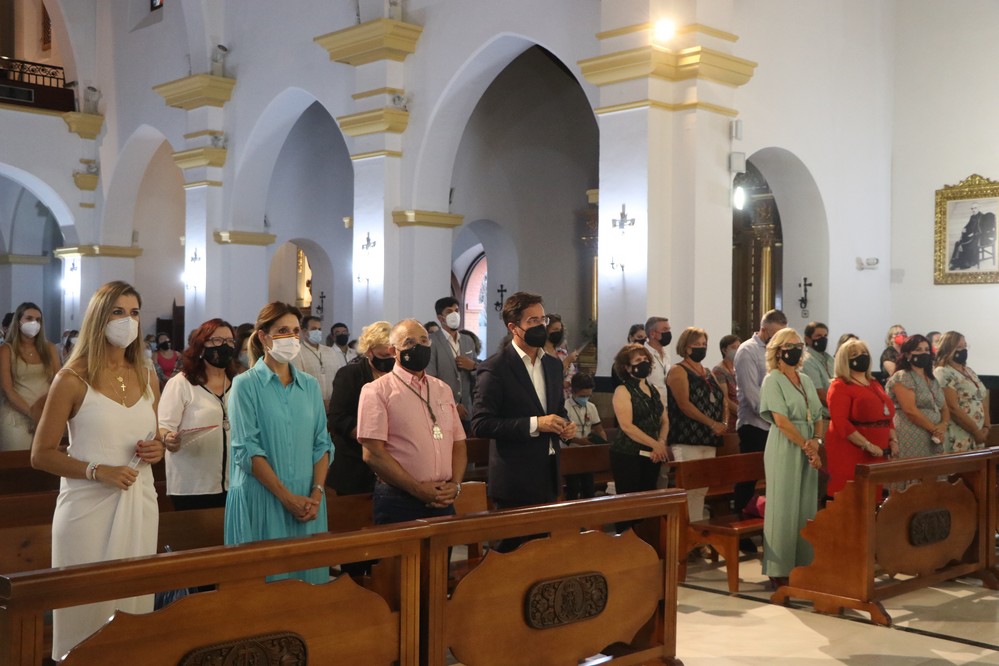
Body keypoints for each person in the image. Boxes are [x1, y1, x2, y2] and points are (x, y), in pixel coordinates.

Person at [29, 281, 163, 659]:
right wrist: (96, 470)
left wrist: (156, 450)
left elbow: (151, 439)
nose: (128, 320)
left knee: (133, 605)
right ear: (99, 318)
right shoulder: (72, 379)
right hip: (87, 509)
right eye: (118, 312)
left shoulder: (148, 377)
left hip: (139, 502)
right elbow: (41, 454)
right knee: (85, 613)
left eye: (134, 313)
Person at [224, 302, 333, 584]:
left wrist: (317, 493)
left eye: (296, 331)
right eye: (283, 330)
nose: (292, 337)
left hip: (308, 502)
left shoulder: (309, 385)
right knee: (263, 594)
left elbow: (322, 444)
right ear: (263, 336)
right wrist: (286, 498)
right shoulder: (245, 384)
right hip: (263, 499)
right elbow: (247, 450)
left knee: (309, 593)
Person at [471, 292, 575, 514]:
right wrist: (536, 424)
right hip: (514, 477)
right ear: (513, 327)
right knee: (513, 547)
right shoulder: (495, 368)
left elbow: (556, 410)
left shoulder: (553, 365)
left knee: (546, 545)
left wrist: (565, 426)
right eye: (532, 321)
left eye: (543, 319)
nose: (541, 326)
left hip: (548, 472)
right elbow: (481, 423)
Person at [357, 319, 466, 524]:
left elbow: (458, 443)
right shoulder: (377, 391)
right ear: (393, 350)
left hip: (443, 497)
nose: (419, 346)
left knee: (441, 557)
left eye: (424, 340)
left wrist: (455, 485)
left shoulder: (442, 389)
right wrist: (418, 489)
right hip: (399, 499)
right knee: (400, 557)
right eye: (409, 342)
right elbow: (372, 453)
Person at [758, 327, 823, 588]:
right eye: (790, 346)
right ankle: (779, 568)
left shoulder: (805, 379)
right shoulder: (772, 380)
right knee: (783, 507)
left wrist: (816, 442)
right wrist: (807, 447)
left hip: (808, 444)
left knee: (805, 505)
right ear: (778, 351)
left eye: (798, 345)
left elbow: (818, 415)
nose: (795, 350)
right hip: (785, 445)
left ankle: (803, 563)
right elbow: (781, 420)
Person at [158, 318, 237, 510]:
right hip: (193, 484)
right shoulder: (182, 383)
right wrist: (169, 438)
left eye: (229, 341)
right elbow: (164, 426)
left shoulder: (239, 383)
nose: (224, 346)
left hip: (234, 482)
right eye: (217, 341)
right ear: (202, 347)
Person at [733, 308, 787, 552]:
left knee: (774, 479)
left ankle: (770, 527)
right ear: (764, 329)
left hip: (776, 425)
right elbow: (752, 394)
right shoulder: (747, 351)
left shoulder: (778, 352)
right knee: (748, 478)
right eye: (775, 334)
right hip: (755, 426)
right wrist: (775, 417)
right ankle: (740, 528)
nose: (778, 340)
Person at [666, 327, 727, 523]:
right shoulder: (678, 370)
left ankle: (697, 528)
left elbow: (722, 399)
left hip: (709, 438)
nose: (702, 348)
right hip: (687, 437)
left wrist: (723, 423)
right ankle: (686, 533)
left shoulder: (708, 372)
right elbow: (684, 404)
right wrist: (711, 423)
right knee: (689, 488)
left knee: (702, 488)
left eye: (704, 345)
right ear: (686, 347)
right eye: (697, 345)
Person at [825, 339, 898, 499]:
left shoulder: (873, 382)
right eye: (855, 355)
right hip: (852, 449)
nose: (861, 357)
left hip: (878, 449)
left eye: (864, 353)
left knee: (874, 495)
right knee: (853, 496)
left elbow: (886, 414)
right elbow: (840, 422)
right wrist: (867, 445)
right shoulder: (840, 386)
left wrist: (893, 440)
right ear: (845, 359)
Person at [328, 321, 393, 496]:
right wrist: (370, 438)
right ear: (369, 351)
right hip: (355, 462)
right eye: (382, 356)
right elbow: (337, 417)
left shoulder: (398, 376)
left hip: (391, 459)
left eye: (391, 356)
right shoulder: (349, 374)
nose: (388, 362)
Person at [610, 344, 669, 528]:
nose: (643, 363)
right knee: (629, 507)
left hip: (652, 454)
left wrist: (661, 442)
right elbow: (627, 426)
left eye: (645, 360)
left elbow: (664, 420)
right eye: (637, 361)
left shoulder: (654, 390)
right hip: (628, 454)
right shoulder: (623, 391)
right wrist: (656, 445)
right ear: (627, 367)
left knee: (648, 504)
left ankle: (646, 545)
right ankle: (626, 546)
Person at [0, 302, 61, 451]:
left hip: (45, 416)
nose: (34, 323)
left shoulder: (49, 348)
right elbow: (7, 390)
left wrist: (45, 415)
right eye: (29, 318)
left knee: (45, 467)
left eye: (38, 319)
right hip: (17, 416)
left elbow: (58, 383)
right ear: (18, 321)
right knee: (18, 467)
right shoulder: (6, 350)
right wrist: (32, 415)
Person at [886, 334, 949, 465]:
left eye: (927, 350)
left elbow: (944, 408)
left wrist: (943, 426)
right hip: (911, 433)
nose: (924, 353)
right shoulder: (903, 376)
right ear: (908, 354)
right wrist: (934, 429)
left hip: (935, 436)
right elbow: (910, 410)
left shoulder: (932, 379)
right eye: (918, 350)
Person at [933, 331, 990, 452]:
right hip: (959, 434)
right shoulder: (943, 372)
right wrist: (975, 431)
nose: (963, 350)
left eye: (965, 346)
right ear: (948, 349)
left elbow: (981, 398)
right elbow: (952, 408)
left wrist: (986, 426)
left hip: (978, 434)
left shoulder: (968, 371)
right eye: (959, 347)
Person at [427, 296, 478, 427]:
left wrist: (473, 367)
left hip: (467, 411)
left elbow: (477, 375)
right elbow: (431, 379)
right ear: (440, 317)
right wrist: (453, 405)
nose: (454, 314)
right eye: (449, 311)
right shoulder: (431, 341)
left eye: (456, 310)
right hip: (442, 410)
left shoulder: (468, 341)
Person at [563, 372, 608, 500]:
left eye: (588, 395)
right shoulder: (564, 407)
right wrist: (581, 441)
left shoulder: (591, 407)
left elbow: (599, 429)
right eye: (583, 396)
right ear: (573, 391)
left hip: (588, 453)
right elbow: (562, 434)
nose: (586, 398)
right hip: (570, 453)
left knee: (589, 488)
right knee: (573, 489)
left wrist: (602, 444)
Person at [292, 315, 337, 412]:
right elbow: (299, 382)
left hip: (333, 405)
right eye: (314, 329)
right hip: (309, 406)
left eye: (319, 329)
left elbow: (338, 377)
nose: (318, 332)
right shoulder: (297, 352)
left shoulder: (330, 351)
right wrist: (319, 402)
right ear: (304, 331)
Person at [543, 313, 581, 399]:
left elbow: (572, 372)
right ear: (546, 330)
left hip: (566, 397)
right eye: (555, 329)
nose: (558, 333)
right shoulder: (540, 353)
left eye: (560, 330)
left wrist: (567, 381)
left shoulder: (562, 353)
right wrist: (567, 361)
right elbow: (550, 376)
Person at [948, 203, 996, 270]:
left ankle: (966, 263)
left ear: (978, 208)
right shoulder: (972, 217)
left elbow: (983, 231)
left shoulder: (982, 217)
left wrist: (973, 234)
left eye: (975, 208)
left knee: (966, 244)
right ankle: (956, 262)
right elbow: (968, 225)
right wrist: (964, 228)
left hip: (979, 237)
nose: (973, 210)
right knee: (958, 243)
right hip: (971, 236)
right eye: (972, 208)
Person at [801, 321, 833, 419]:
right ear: (807, 339)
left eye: (825, 335)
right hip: (822, 417)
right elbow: (819, 393)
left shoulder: (829, 358)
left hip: (835, 414)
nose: (823, 339)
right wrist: (840, 408)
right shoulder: (807, 360)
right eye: (818, 336)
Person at [711, 334, 740, 433]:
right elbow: (725, 399)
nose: (737, 350)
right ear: (724, 350)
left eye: (739, 347)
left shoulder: (738, 368)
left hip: (741, 418)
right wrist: (742, 412)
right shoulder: (719, 371)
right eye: (733, 347)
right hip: (731, 420)